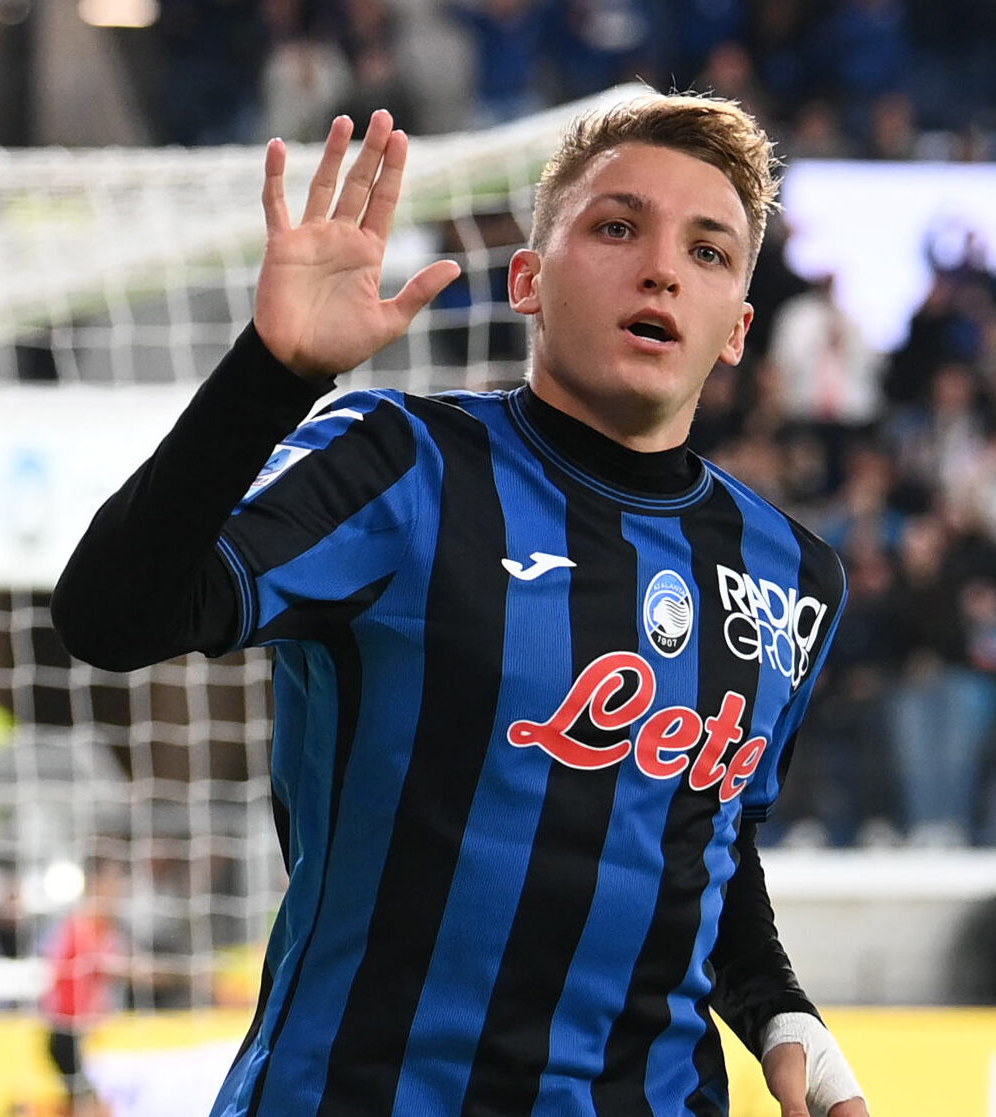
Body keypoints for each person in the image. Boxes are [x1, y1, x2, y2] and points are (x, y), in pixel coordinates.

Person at [52, 98, 869, 1116]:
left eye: (708, 252)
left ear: (739, 327)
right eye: (616, 228)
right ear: (526, 278)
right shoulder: (397, 467)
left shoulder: (792, 577)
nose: (661, 267)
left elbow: (707, 837)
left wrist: (778, 1006)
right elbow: (109, 618)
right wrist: (271, 374)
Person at [40, 859, 127, 1117]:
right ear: (96, 886)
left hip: (79, 1032)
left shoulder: (102, 929)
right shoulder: (81, 927)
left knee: (85, 1102)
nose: (117, 893)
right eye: (112, 886)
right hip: (65, 1031)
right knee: (90, 1105)